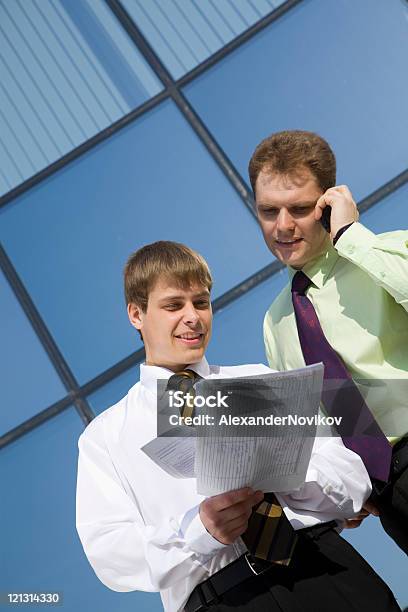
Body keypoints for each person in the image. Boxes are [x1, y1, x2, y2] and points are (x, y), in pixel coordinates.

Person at [76, 241, 400, 612]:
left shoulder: (259, 380)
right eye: (173, 305)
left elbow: (349, 473)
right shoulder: (105, 436)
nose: (193, 317)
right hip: (223, 599)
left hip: (324, 571)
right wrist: (199, 529)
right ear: (136, 314)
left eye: (201, 302)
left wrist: (290, 479)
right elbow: (109, 553)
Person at [249, 129, 408, 552]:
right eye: (269, 211)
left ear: (328, 203)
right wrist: (340, 488)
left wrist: (350, 235)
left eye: (299, 209)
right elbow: (310, 427)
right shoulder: (277, 320)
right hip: (389, 499)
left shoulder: (387, 254)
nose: (282, 226)